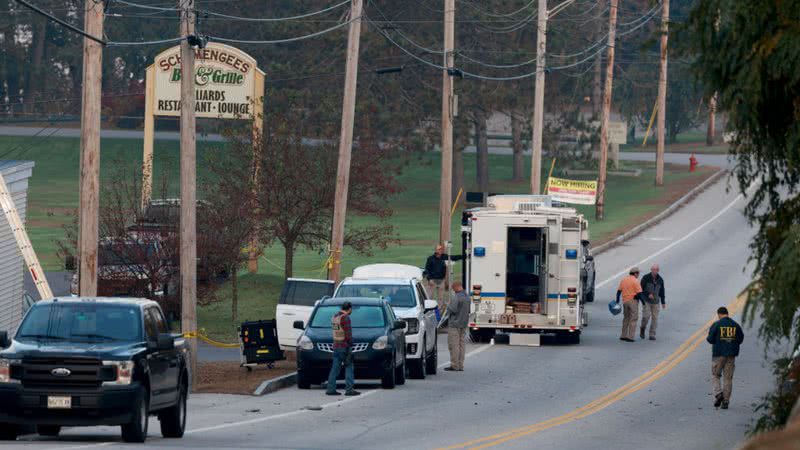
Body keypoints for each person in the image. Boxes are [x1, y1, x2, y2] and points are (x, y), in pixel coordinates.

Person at [707, 306, 744, 410]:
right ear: (727, 314)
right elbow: (740, 339)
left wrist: (718, 341)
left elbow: (710, 339)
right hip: (731, 355)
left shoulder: (716, 325)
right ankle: (726, 401)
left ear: (719, 314)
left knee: (716, 375)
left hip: (718, 355)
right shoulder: (735, 325)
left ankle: (718, 394)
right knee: (728, 378)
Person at [326, 302, 360, 396]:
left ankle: (330, 389)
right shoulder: (345, 318)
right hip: (345, 346)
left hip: (336, 345)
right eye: (351, 309)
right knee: (349, 367)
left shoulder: (335, 316)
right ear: (349, 308)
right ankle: (349, 389)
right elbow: (348, 334)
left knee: (334, 369)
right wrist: (351, 344)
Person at [424, 245, 464, 310]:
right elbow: (427, 270)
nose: (440, 250)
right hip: (432, 281)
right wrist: (429, 279)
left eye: (441, 249)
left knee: (441, 298)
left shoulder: (444, 257)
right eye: (439, 249)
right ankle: (428, 310)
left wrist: (463, 256)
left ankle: (439, 310)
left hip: (441, 281)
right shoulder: (430, 258)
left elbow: (453, 257)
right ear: (436, 250)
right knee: (429, 297)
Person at [444, 281, 470, 371]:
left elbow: (453, 310)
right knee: (461, 345)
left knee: (453, 345)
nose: (453, 290)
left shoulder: (457, 297)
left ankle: (454, 365)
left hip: (454, 324)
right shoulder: (467, 297)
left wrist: (447, 305)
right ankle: (460, 365)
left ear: (456, 287)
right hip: (463, 324)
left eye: (453, 288)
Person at [639, 264, 666, 340]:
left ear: (658, 270)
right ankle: (642, 328)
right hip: (646, 301)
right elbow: (640, 289)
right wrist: (648, 294)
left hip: (656, 302)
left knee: (655, 318)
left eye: (655, 270)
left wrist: (663, 302)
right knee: (646, 316)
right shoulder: (645, 278)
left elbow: (662, 291)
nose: (654, 271)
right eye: (653, 270)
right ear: (651, 270)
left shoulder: (660, 280)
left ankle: (652, 334)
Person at [616, 267, 643, 342]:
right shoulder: (635, 281)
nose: (638, 275)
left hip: (625, 302)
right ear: (635, 273)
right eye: (638, 273)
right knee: (633, 318)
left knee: (626, 318)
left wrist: (617, 300)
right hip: (633, 301)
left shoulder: (624, 280)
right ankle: (630, 336)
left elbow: (618, 291)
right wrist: (643, 302)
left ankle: (623, 335)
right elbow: (640, 293)